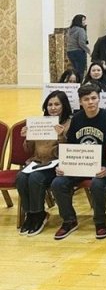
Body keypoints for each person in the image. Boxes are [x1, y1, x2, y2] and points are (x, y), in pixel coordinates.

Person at [51, 83, 106, 240]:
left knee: (97, 184)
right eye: (86, 99)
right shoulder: (76, 119)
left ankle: (100, 222)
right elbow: (71, 146)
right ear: (80, 102)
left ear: (99, 99)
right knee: (58, 183)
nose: (91, 102)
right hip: (79, 166)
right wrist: (65, 165)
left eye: (94, 98)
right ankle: (69, 221)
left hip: (102, 167)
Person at [16, 91, 72, 236]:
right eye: (50, 104)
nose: (53, 108)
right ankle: (30, 214)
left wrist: (61, 137)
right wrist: (27, 138)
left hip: (55, 164)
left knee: (36, 178)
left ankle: (39, 213)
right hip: (36, 162)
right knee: (21, 178)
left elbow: (67, 152)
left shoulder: (68, 124)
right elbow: (28, 150)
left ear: (64, 106)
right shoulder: (40, 123)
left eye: (57, 104)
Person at [66, 14, 91, 80]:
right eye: (83, 20)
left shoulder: (70, 30)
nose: (84, 22)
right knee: (80, 71)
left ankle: (74, 83)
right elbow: (81, 43)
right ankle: (79, 85)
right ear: (79, 21)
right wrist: (89, 51)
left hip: (70, 51)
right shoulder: (81, 30)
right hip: (78, 51)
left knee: (75, 70)